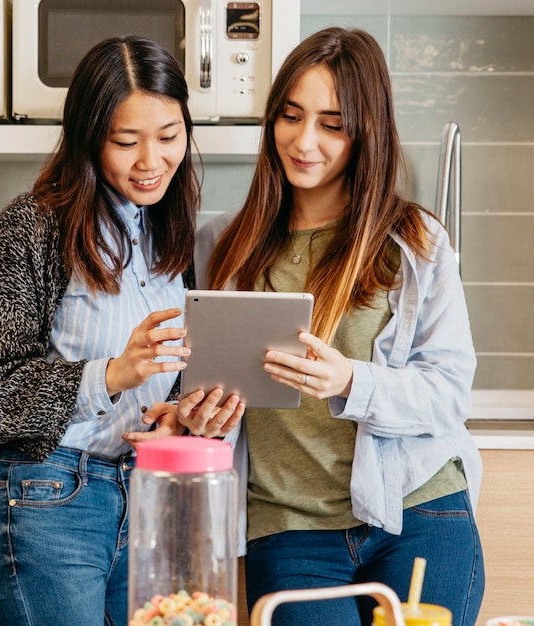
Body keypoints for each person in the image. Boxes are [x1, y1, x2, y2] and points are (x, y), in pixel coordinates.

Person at [0, 36, 243, 626]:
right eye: (127, 141)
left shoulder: (170, 237)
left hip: (148, 494)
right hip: (50, 495)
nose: (151, 161)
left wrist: (183, 414)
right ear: (89, 138)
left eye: (169, 137)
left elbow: (164, 388)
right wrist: (115, 373)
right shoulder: (31, 228)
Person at [183, 27, 485, 626]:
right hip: (289, 527)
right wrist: (199, 418)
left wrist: (351, 380)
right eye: (291, 117)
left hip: (416, 513)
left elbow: (449, 392)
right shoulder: (219, 245)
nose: (304, 140)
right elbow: (193, 388)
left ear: (365, 133)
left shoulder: (415, 243)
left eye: (332, 123)